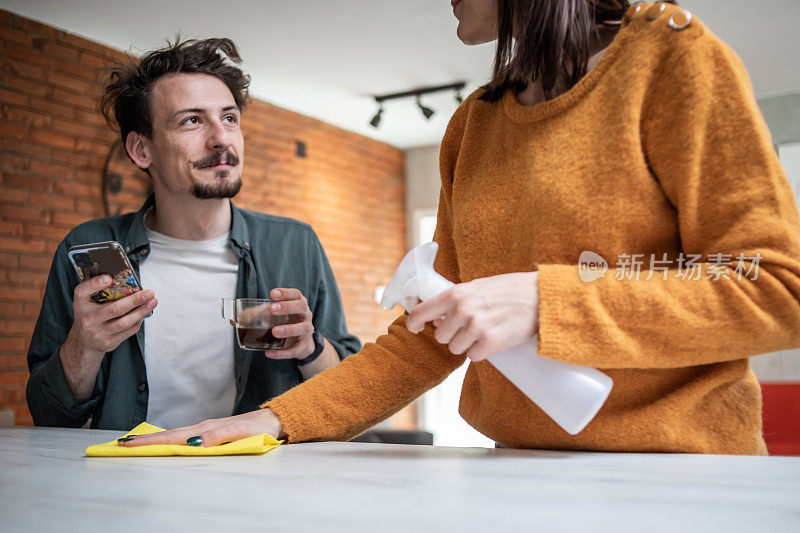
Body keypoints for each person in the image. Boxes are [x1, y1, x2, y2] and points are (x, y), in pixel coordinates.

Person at [123, 1, 800, 454]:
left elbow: (775, 287)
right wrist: (275, 418)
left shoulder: (674, 58)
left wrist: (544, 301)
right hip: (515, 472)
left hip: (680, 481)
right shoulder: (474, 125)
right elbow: (428, 336)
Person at [26, 38, 361, 430]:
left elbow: (350, 399)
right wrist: (85, 346)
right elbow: (48, 415)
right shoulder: (85, 248)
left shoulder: (295, 245)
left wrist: (310, 348)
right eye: (192, 120)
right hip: (126, 483)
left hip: (259, 484)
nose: (221, 138)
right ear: (140, 150)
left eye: (230, 118)